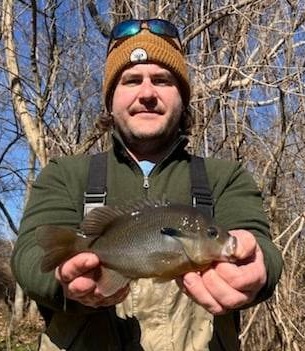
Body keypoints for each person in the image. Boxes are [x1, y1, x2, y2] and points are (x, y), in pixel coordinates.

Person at [11, 18, 283, 351]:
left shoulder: (225, 177)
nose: (147, 93)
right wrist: (63, 281)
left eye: (162, 80)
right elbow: (29, 254)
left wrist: (260, 269)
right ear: (110, 99)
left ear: (182, 97)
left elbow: (260, 246)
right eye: (131, 80)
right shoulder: (66, 174)